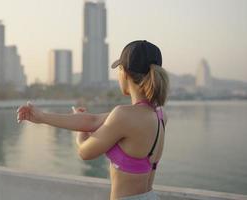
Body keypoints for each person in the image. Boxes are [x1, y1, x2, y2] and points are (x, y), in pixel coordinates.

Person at [16, 40, 169, 200]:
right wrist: (41, 117)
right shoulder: (160, 114)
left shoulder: (123, 115)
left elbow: (84, 151)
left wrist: (80, 134)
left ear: (124, 72)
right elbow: (93, 120)